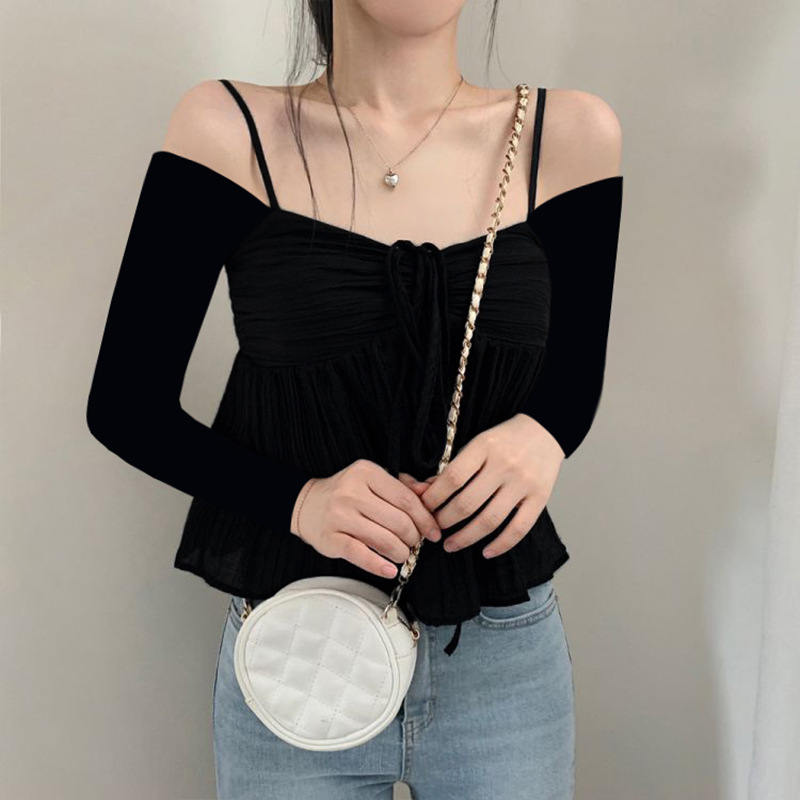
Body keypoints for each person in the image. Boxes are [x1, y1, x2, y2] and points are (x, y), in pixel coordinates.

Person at [86, 3, 623, 797]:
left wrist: (545, 434)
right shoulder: (229, 129)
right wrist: (297, 501)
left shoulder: (566, 135)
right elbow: (126, 403)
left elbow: (572, 382)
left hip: (502, 661)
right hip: (298, 655)